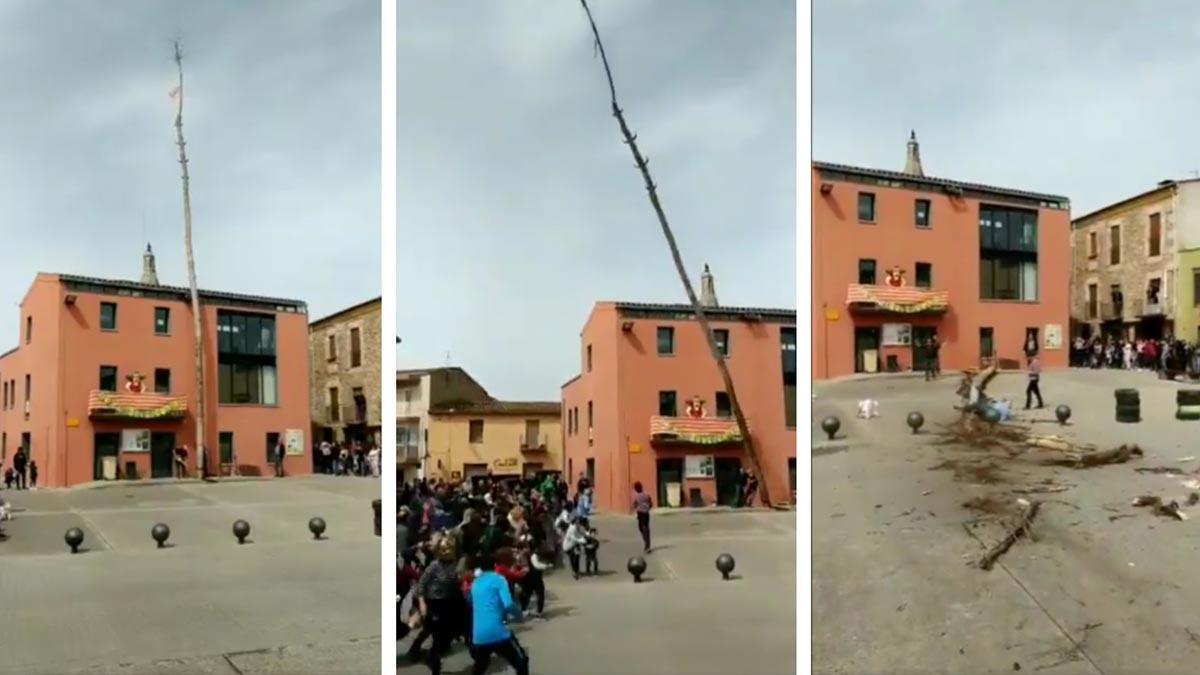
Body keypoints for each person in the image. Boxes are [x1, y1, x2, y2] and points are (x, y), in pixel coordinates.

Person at [468, 548, 531, 675]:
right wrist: (519, 615)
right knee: (521, 661)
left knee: (480, 667)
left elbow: (472, 602)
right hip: (498, 632)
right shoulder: (499, 579)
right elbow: (508, 604)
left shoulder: (475, 583)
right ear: (495, 564)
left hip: (478, 635)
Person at [412, 537, 466, 674]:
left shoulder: (454, 564)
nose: (447, 552)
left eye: (449, 549)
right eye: (444, 550)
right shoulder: (434, 566)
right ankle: (434, 664)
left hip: (448, 603)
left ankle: (432, 655)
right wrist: (422, 604)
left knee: (447, 638)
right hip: (433, 604)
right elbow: (421, 586)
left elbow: (454, 583)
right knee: (437, 636)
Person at [632, 481, 653, 552]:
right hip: (646, 513)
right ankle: (647, 544)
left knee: (641, 528)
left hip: (640, 513)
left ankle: (646, 544)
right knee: (646, 527)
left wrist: (635, 508)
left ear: (636, 488)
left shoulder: (636, 495)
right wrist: (648, 507)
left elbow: (634, 504)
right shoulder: (646, 494)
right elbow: (650, 502)